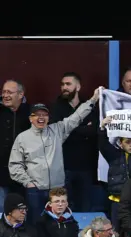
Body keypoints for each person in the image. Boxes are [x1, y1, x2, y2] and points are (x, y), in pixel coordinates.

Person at [9, 88, 101, 224]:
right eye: (36, 115)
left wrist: (93, 100)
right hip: (35, 191)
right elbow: (15, 165)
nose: (41, 118)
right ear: (30, 118)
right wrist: (28, 183)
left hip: (57, 190)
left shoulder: (57, 130)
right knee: (37, 225)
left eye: (44, 114)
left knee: (58, 225)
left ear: (48, 117)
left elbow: (76, 117)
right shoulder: (22, 138)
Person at [49, 72, 99, 212]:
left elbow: (93, 131)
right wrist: (83, 128)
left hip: (86, 166)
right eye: (62, 84)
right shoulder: (55, 107)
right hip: (64, 166)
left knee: (85, 207)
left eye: (68, 84)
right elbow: (57, 131)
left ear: (78, 87)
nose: (64, 87)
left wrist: (70, 129)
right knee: (63, 208)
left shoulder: (90, 106)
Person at [0, 79, 30, 213]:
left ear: (20, 94)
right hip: (1, 173)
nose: (5, 95)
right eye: (3, 92)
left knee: (23, 212)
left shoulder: (31, 113)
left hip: (24, 174)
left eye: (9, 92)